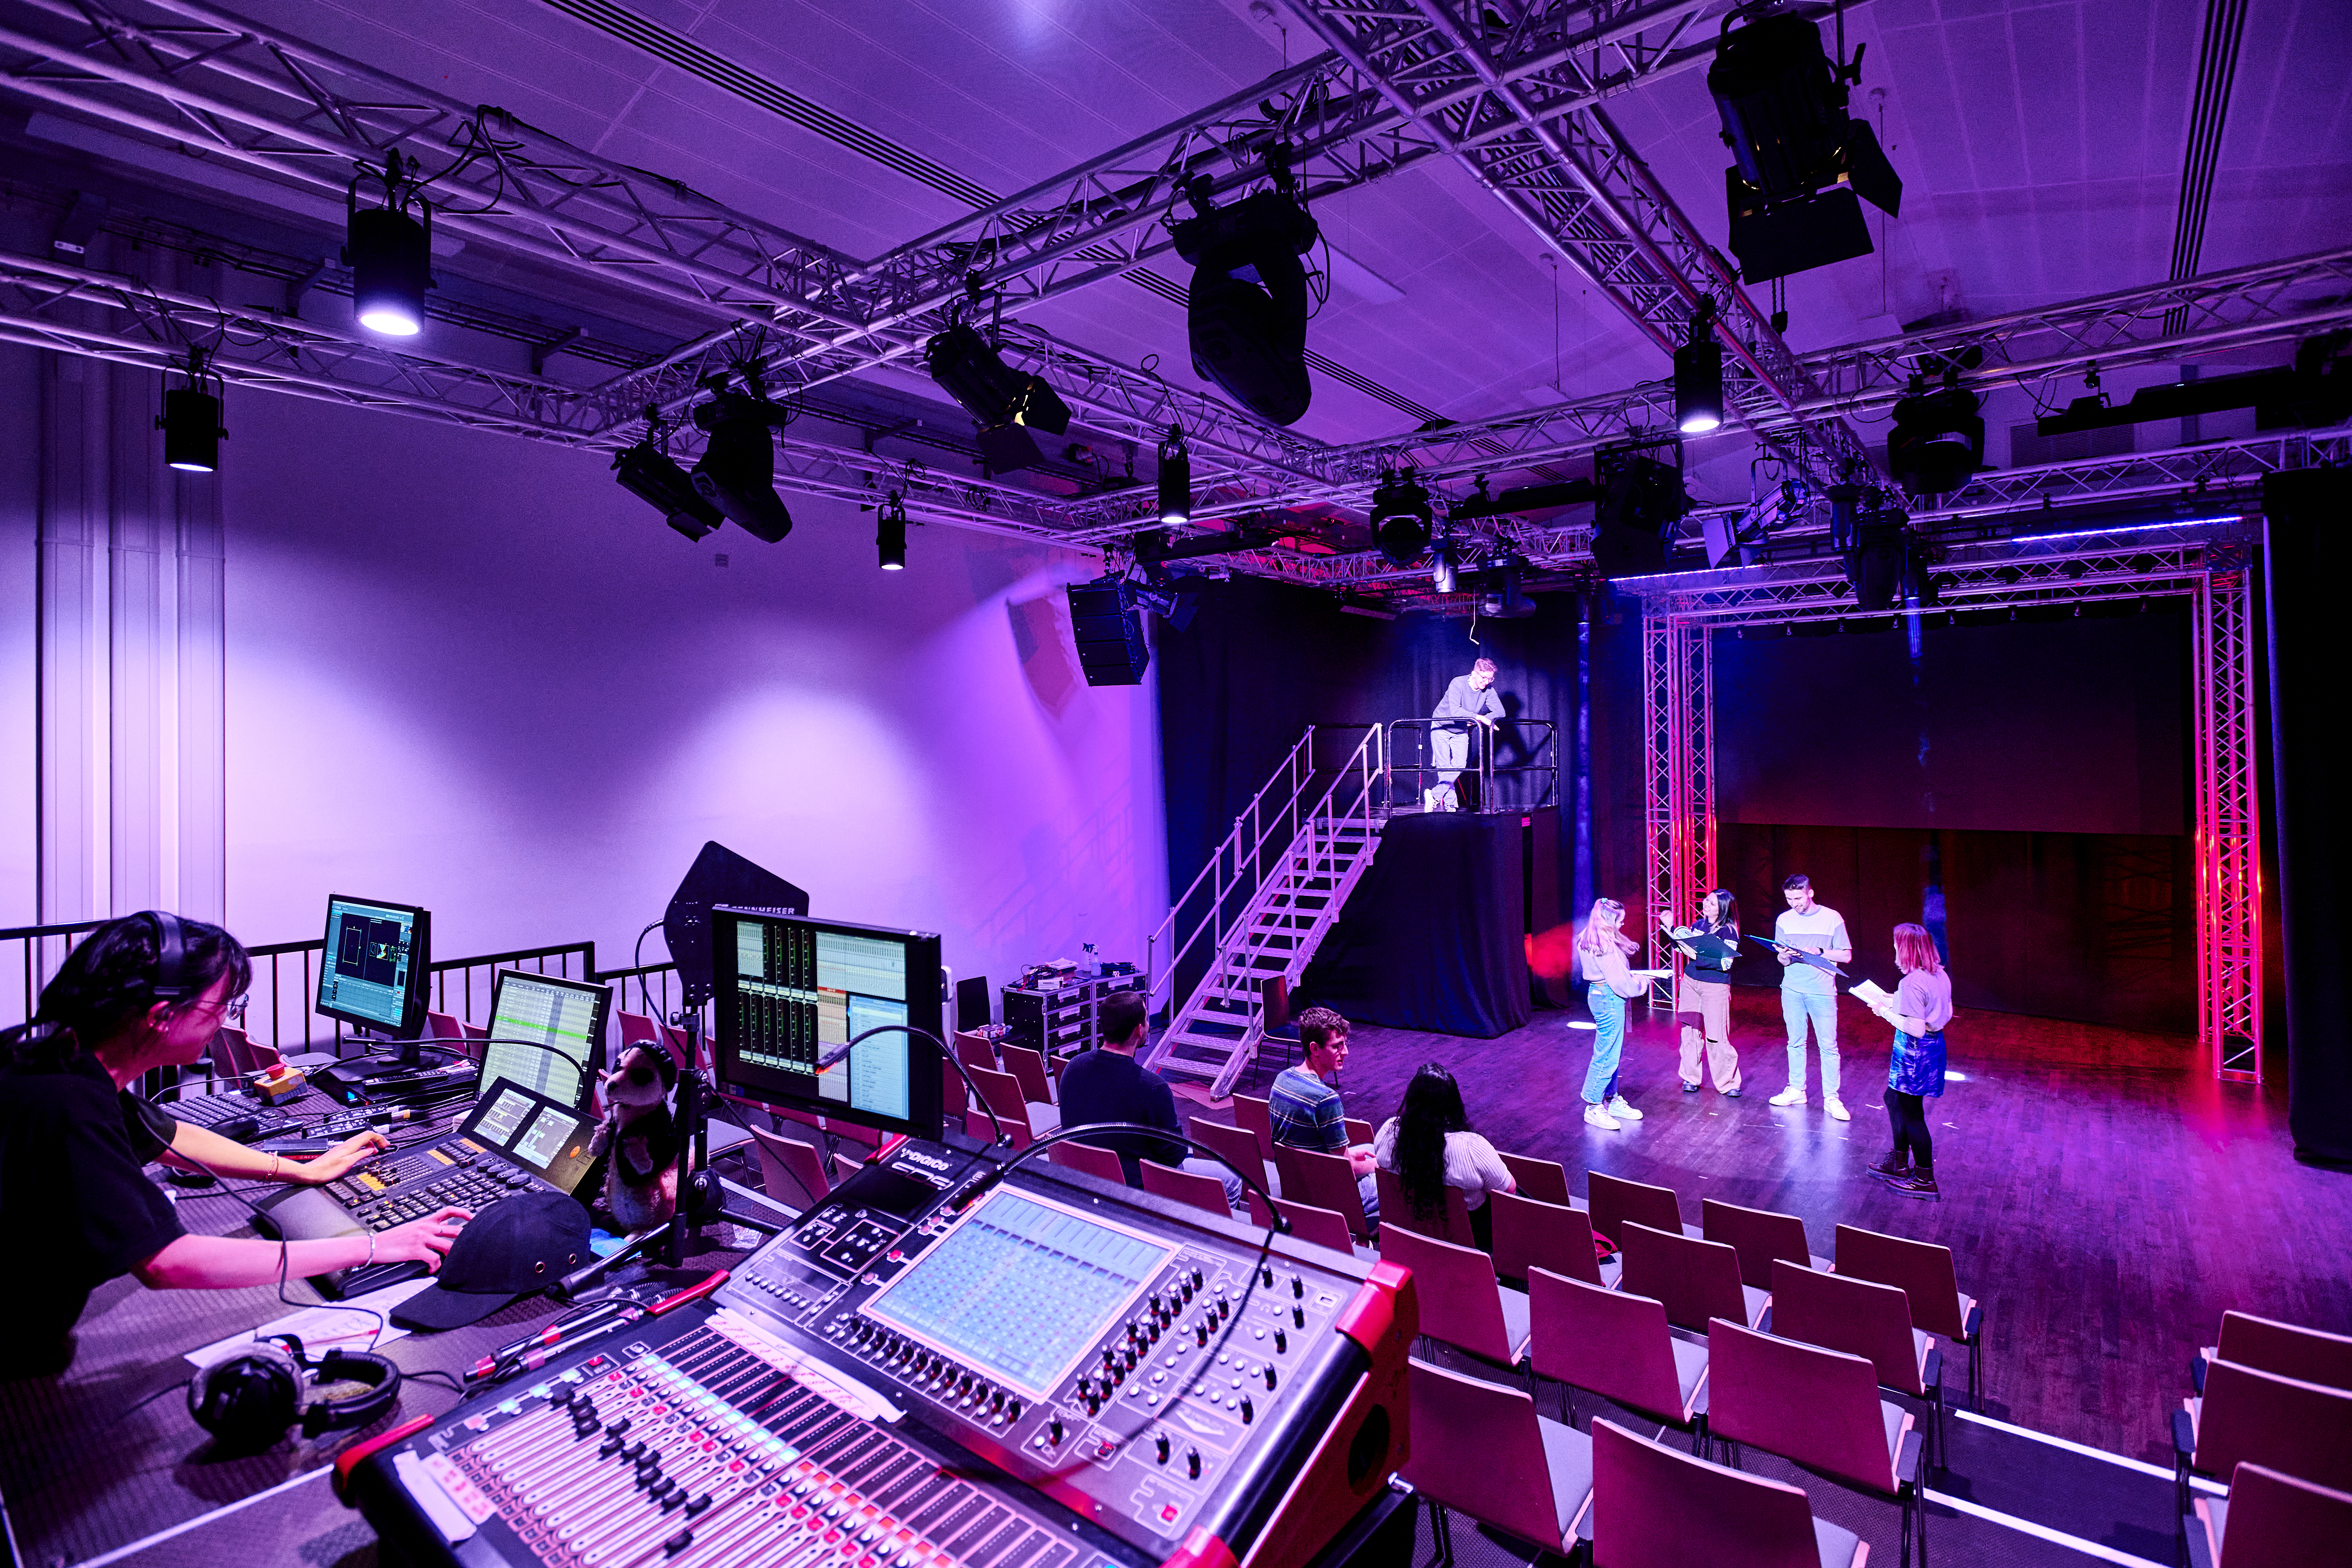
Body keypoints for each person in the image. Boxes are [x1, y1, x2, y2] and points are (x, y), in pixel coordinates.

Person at [0, 912, 469, 1371]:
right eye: (221, 1007)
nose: (225, 1020)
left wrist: (299, 1169)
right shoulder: (68, 1105)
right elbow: (168, 1262)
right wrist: (373, 1247)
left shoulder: (51, 1059)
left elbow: (168, 1136)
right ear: (162, 1016)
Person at [1058, 990, 1245, 1208]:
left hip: (1081, 1175)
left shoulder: (1073, 1068)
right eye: (1147, 1019)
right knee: (1231, 1179)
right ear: (1140, 1030)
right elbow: (1174, 1154)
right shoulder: (1152, 1087)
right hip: (1136, 1187)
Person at [1373, 1063, 1515, 1250]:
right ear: (1454, 1104)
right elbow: (1509, 1191)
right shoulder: (1472, 1148)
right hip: (1470, 1248)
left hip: (1409, 1239)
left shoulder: (1389, 1132)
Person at [1863, 923, 1954, 1199]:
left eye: (1895, 945)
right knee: (1893, 1099)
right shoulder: (1939, 974)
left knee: (1912, 1113)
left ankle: (1925, 1179)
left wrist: (1883, 1011)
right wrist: (1895, 1000)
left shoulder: (1912, 982)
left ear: (1904, 950)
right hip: (1932, 1047)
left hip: (1915, 1051)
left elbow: (1916, 1028)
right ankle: (1900, 1163)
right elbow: (1942, 1010)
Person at [1268, 1006, 1378, 1224]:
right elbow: (1344, 1169)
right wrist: (1380, 1168)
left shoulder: (1282, 1080)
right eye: (1337, 1046)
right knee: (1395, 1178)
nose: (1345, 1052)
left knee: (1370, 1149)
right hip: (1326, 1196)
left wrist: (1351, 1156)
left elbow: (1310, 1150)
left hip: (1296, 1183)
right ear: (1315, 1049)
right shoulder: (1326, 1099)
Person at [1769, 873, 1853, 1120]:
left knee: (1828, 1047)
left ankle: (1832, 1099)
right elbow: (1782, 960)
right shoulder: (1784, 920)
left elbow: (1846, 956)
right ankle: (1797, 1090)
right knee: (1795, 1042)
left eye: (1798, 898)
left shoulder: (1832, 918)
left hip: (1822, 991)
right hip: (1792, 989)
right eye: (1789, 899)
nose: (1794, 903)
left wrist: (1820, 951)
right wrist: (1783, 955)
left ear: (1810, 893)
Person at [1577, 898, 1652, 1131]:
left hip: (1600, 995)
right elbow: (1620, 982)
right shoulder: (1605, 945)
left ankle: (1611, 1099)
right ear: (1610, 921)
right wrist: (1641, 983)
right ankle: (1594, 1106)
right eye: (1620, 920)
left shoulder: (1589, 937)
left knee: (1611, 1052)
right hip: (1608, 998)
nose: (1623, 924)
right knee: (1607, 1054)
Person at [1662, 889, 1742, 1097]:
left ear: (1723, 909)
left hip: (1715, 986)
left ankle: (1728, 1082)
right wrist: (1671, 929)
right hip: (1691, 982)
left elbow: (1725, 963)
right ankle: (1690, 1077)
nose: (1706, 904)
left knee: (1717, 1036)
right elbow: (1682, 947)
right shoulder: (1698, 925)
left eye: (1713, 904)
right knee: (1690, 1032)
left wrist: (1697, 955)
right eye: (1707, 900)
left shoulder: (1728, 932)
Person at [1427, 657, 1502, 811]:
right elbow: (1456, 711)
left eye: (1490, 679)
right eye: (1484, 678)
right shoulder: (1458, 683)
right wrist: (1479, 718)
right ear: (1474, 674)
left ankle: (1434, 795)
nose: (1487, 682)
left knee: (1460, 765)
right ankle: (1451, 805)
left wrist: (1478, 720)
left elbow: (1500, 712)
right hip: (1441, 727)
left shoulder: (1488, 690)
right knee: (1445, 768)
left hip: (1461, 731)